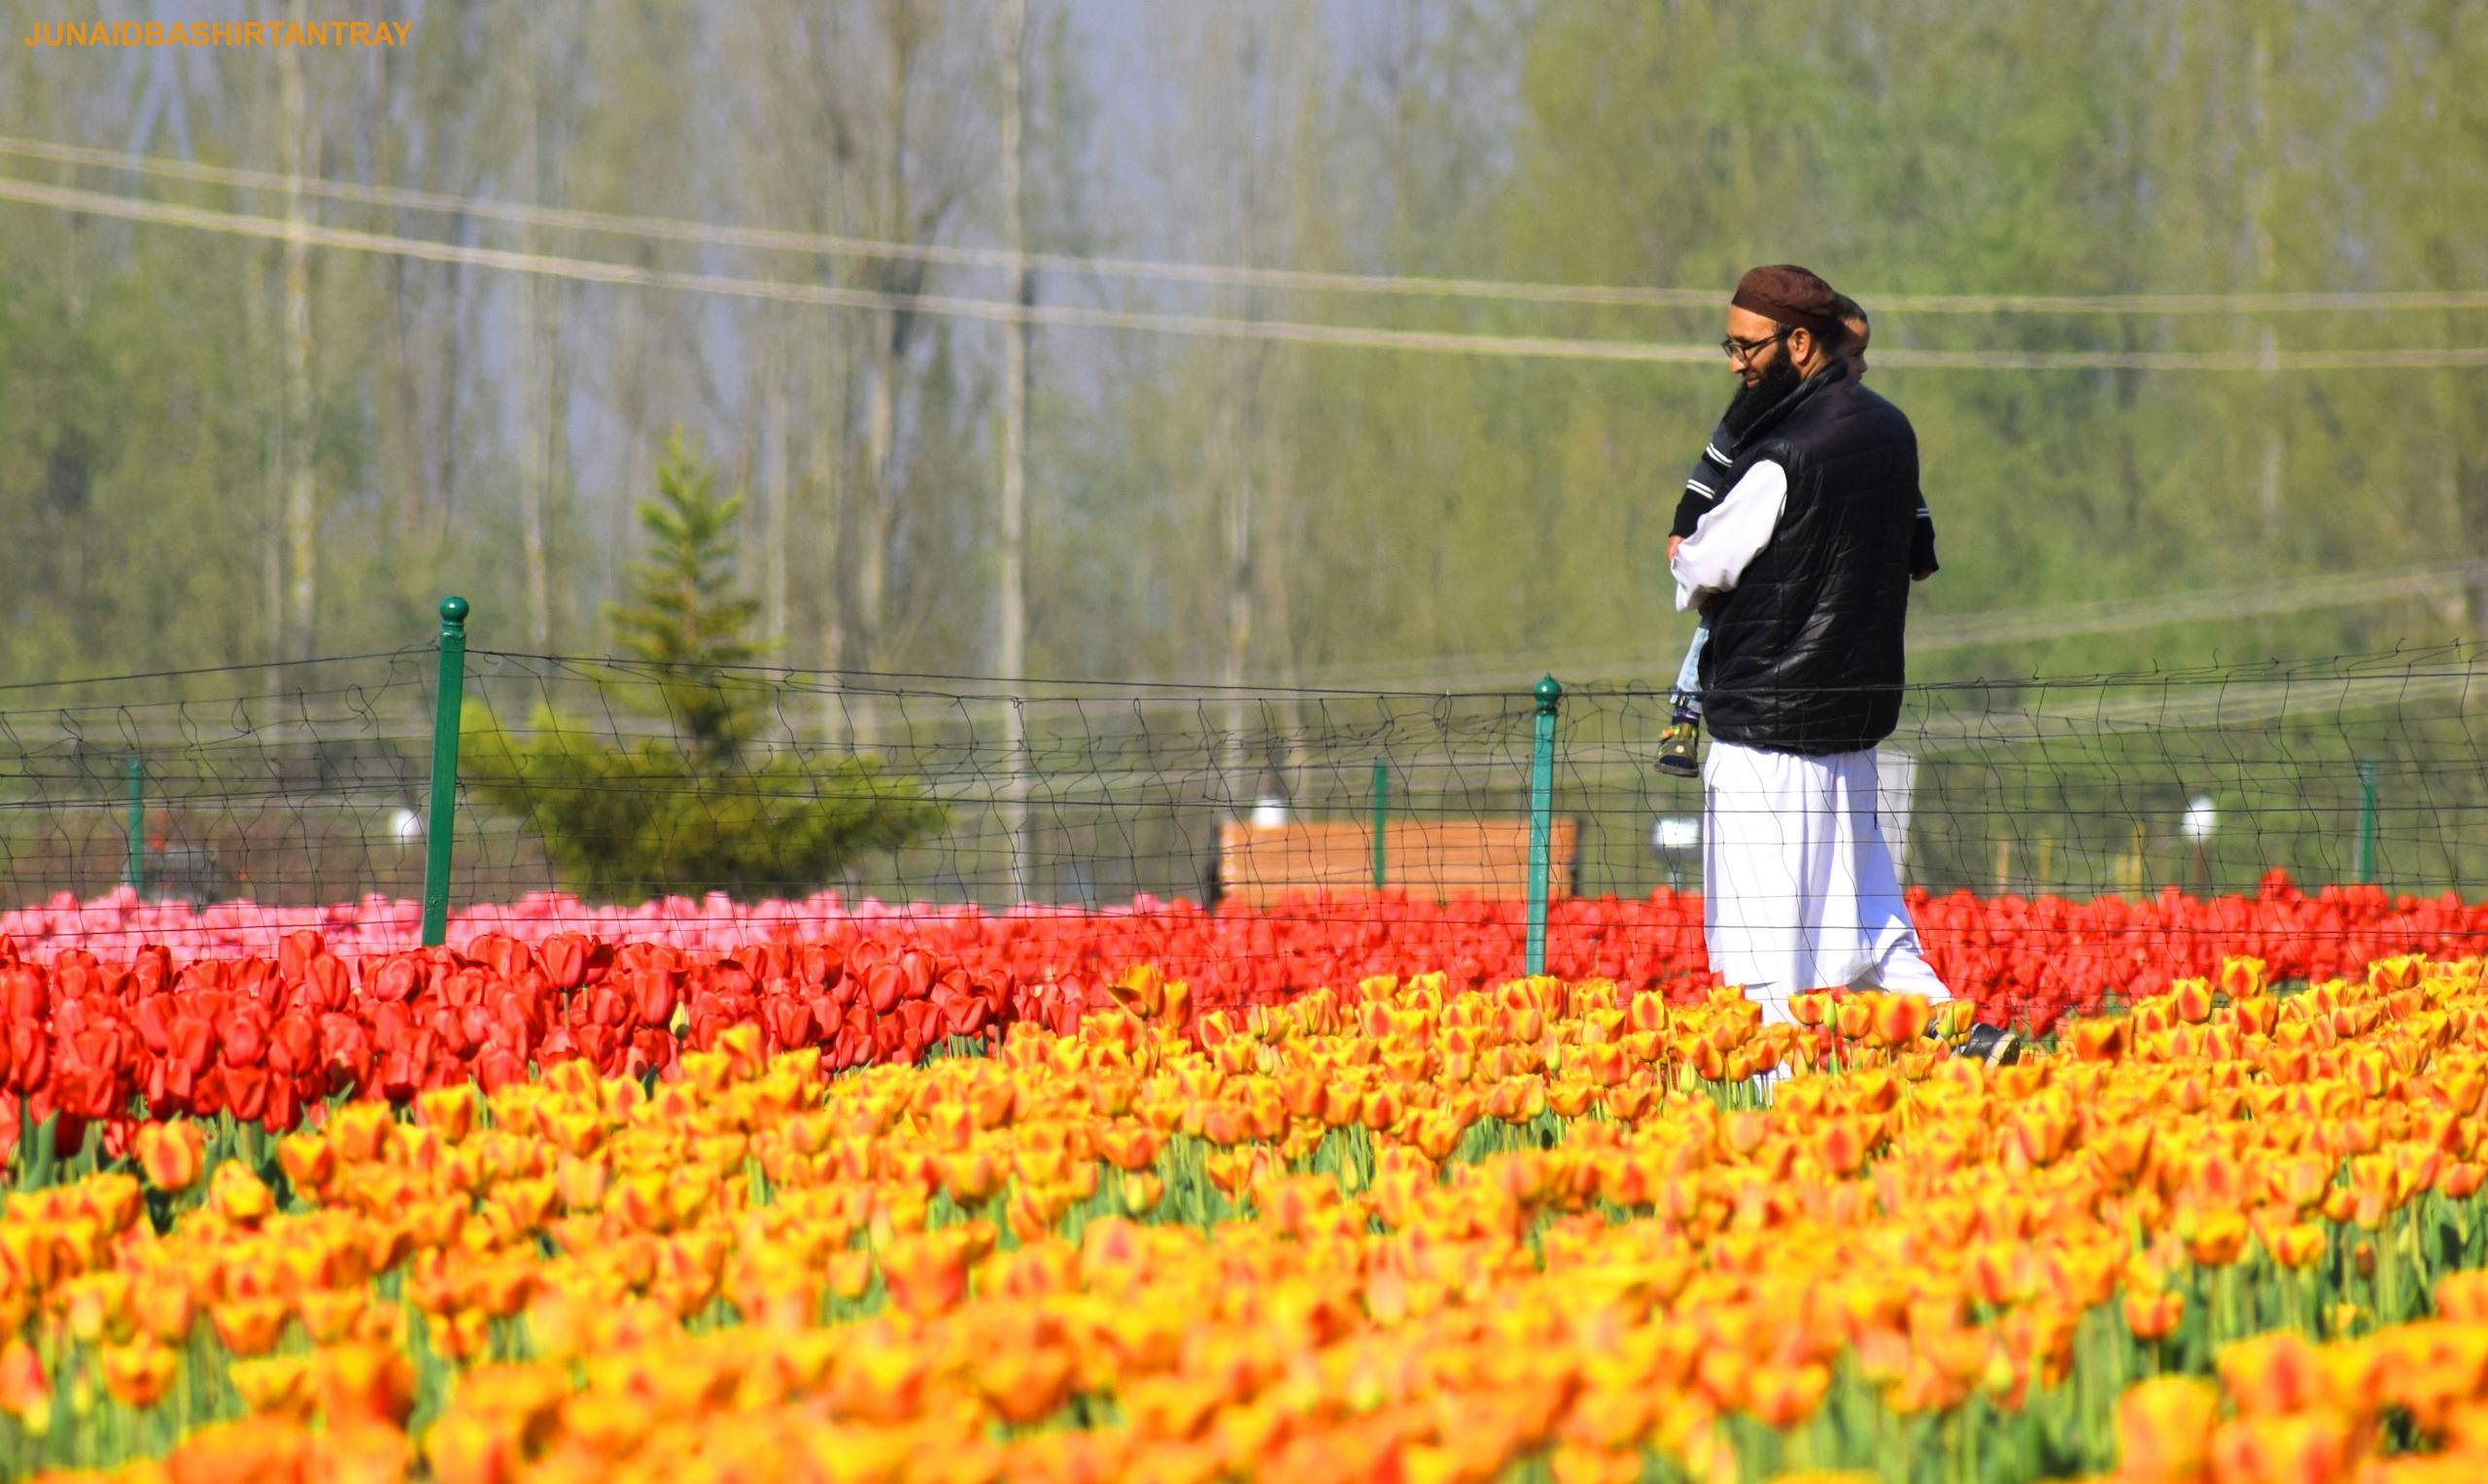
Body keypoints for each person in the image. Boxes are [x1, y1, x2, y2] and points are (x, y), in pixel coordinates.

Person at [1667, 263, 2017, 1069]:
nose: (1734, 363)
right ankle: (1963, 1042)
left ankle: (1779, 1112)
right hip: (1852, 735)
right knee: (1869, 923)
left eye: (1745, 346)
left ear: (1799, 342)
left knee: (1766, 958)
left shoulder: (1780, 453)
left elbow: (1702, 568)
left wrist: (1685, 550)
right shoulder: (1893, 431)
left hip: (1765, 738)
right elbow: (1916, 559)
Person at [1658, 296, 1938, 777]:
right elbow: (1708, 473)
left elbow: (1907, 496)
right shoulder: (1760, 422)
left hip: (1793, 701)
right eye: (1854, 355)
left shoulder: (1847, 434)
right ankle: (1684, 715)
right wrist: (1684, 528)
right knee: (1711, 632)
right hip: (1790, 684)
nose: (1862, 367)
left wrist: (1920, 542)